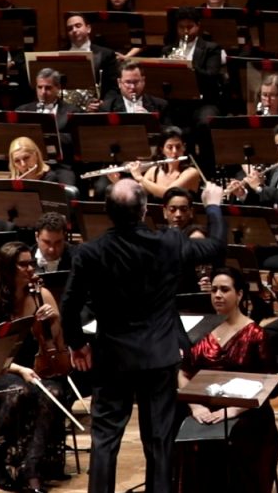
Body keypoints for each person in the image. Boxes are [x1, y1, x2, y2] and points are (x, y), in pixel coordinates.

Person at [61, 178, 227, 493]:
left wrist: (77, 344)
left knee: (105, 439)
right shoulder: (169, 242)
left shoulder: (90, 252)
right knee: (160, 439)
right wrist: (214, 205)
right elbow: (216, 247)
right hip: (159, 356)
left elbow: (69, 306)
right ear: (144, 210)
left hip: (112, 357)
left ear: (107, 211)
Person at [0, 241, 72, 493]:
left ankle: (32, 467)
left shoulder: (41, 295)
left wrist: (54, 320)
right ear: (7, 267)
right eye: (23, 264)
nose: (30, 269)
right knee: (18, 392)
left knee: (54, 393)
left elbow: (57, 341)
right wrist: (18, 369)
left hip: (35, 367)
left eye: (31, 263)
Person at [175, 266, 278, 493]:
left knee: (237, 442)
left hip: (246, 413)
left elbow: (270, 385)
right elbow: (183, 373)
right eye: (214, 290)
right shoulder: (202, 331)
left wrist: (233, 410)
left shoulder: (256, 335)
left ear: (239, 294)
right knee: (186, 437)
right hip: (205, 410)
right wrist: (195, 407)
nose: (218, 295)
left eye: (224, 289)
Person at [64, 13, 121, 98]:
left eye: (78, 26)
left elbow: (114, 88)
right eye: (70, 28)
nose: (74, 30)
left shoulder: (106, 54)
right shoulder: (60, 55)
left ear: (88, 29)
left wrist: (102, 103)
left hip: (98, 103)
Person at [100, 59, 167, 117]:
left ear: (143, 81)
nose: (132, 87)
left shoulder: (160, 105)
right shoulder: (107, 107)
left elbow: (169, 128)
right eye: (128, 82)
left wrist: (150, 120)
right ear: (119, 83)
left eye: (136, 82)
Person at [7, 135, 76, 188]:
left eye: (26, 158)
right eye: (17, 161)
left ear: (36, 155)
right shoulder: (13, 179)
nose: (23, 164)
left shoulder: (50, 178)